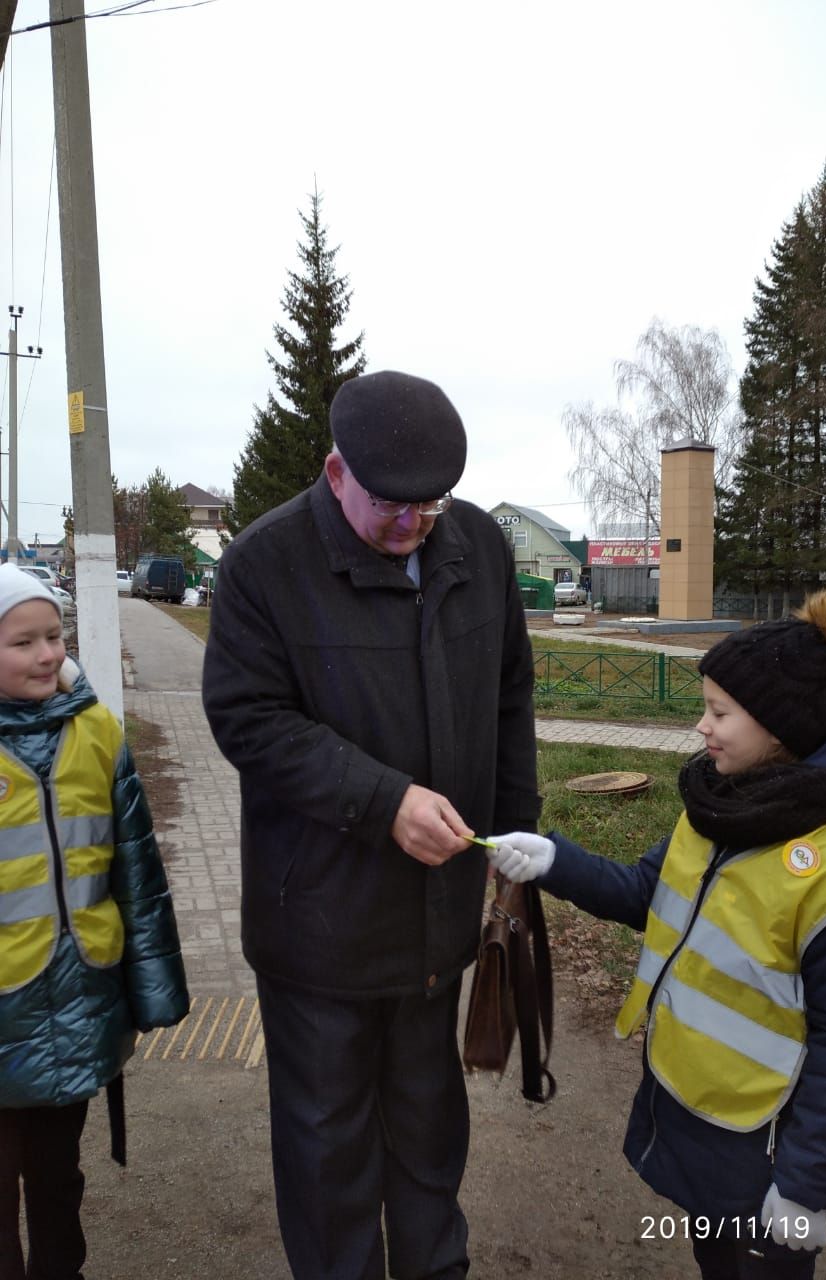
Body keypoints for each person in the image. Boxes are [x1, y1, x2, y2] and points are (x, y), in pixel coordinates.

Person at [201, 369, 540, 1280]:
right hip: (319, 920)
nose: (413, 526)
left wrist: (515, 836)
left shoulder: (476, 546)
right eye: (394, 507)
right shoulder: (264, 564)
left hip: (437, 911)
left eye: (431, 507)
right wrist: (384, 801)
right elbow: (248, 718)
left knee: (429, 1123)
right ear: (334, 470)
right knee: (327, 1143)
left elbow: (509, 691)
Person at [487, 584, 826, 1280]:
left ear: (780, 729)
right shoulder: (719, 808)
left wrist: (805, 1186)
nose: (700, 729)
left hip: (763, 1134)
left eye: (718, 713)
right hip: (694, 1107)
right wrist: (554, 861)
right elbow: (647, 895)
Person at [0, 563, 189, 1280]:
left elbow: (137, 876)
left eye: (54, 636)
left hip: (75, 1003)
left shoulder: (97, 732)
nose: (49, 654)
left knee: (57, 1180)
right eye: (24, 643)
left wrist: (153, 989)